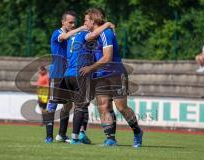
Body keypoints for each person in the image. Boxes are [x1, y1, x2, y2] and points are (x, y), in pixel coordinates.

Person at [80, 8, 143, 147]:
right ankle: (110, 139)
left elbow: (107, 57)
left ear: (93, 20)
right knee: (103, 106)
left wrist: (90, 68)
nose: (84, 23)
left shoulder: (106, 33)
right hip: (100, 75)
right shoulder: (92, 34)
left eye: (86, 20)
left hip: (115, 74)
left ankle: (137, 132)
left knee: (121, 107)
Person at [61, 20, 115, 144]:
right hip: (79, 74)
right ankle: (75, 137)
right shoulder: (84, 34)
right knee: (81, 107)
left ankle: (76, 134)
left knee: (78, 106)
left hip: (68, 74)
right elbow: (93, 35)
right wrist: (106, 25)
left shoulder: (71, 37)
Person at [46, 10, 88, 144]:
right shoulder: (58, 33)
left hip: (68, 74)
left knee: (68, 106)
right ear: (63, 22)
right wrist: (81, 28)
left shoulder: (72, 36)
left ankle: (62, 134)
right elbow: (63, 37)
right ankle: (48, 137)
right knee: (52, 105)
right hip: (57, 74)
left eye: (74, 22)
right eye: (70, 22)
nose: (73, 24)